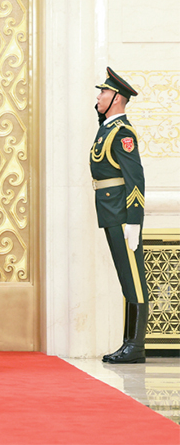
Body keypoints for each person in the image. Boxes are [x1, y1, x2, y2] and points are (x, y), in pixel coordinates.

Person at [91, 67, 148, 364]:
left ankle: (135, 346)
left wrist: (134, 221)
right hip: (110, 211)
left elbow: (135, 178)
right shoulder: (108, 128)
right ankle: (128, 343)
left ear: (116, 98)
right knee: (126, 278)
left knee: (134, 279)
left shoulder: (123, 133)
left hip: (123, 213)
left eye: (103, 92)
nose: (98, 96)